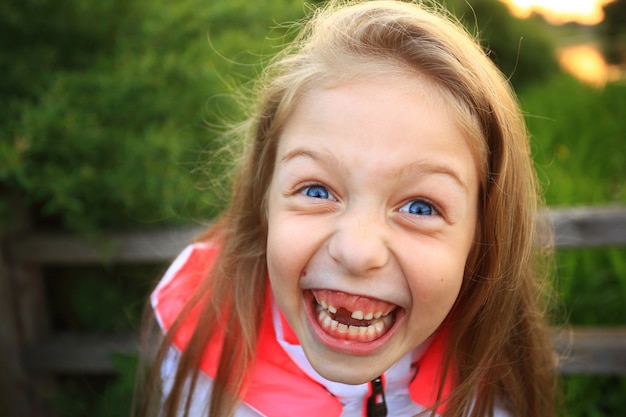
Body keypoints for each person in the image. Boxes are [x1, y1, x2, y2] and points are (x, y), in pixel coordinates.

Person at [136, 1, 559, 416]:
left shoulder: (490, 394)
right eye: (317, 191)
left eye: (420, 206)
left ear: (481, 237)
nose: (357, 253)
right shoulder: (196, 341)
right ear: (263, 201)